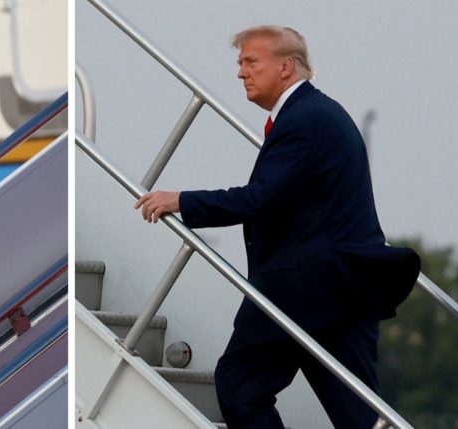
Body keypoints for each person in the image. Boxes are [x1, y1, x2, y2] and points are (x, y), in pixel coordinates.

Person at [134, 26, 420, 428]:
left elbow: (259, 198)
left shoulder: (304, 120)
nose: (241, 73)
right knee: (360, 416)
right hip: (343, 287)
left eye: (251, 62)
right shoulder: (320, 114)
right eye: (240, 64)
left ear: (286, 67)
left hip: (304, 288)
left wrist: (181, 200)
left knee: (240, 385)